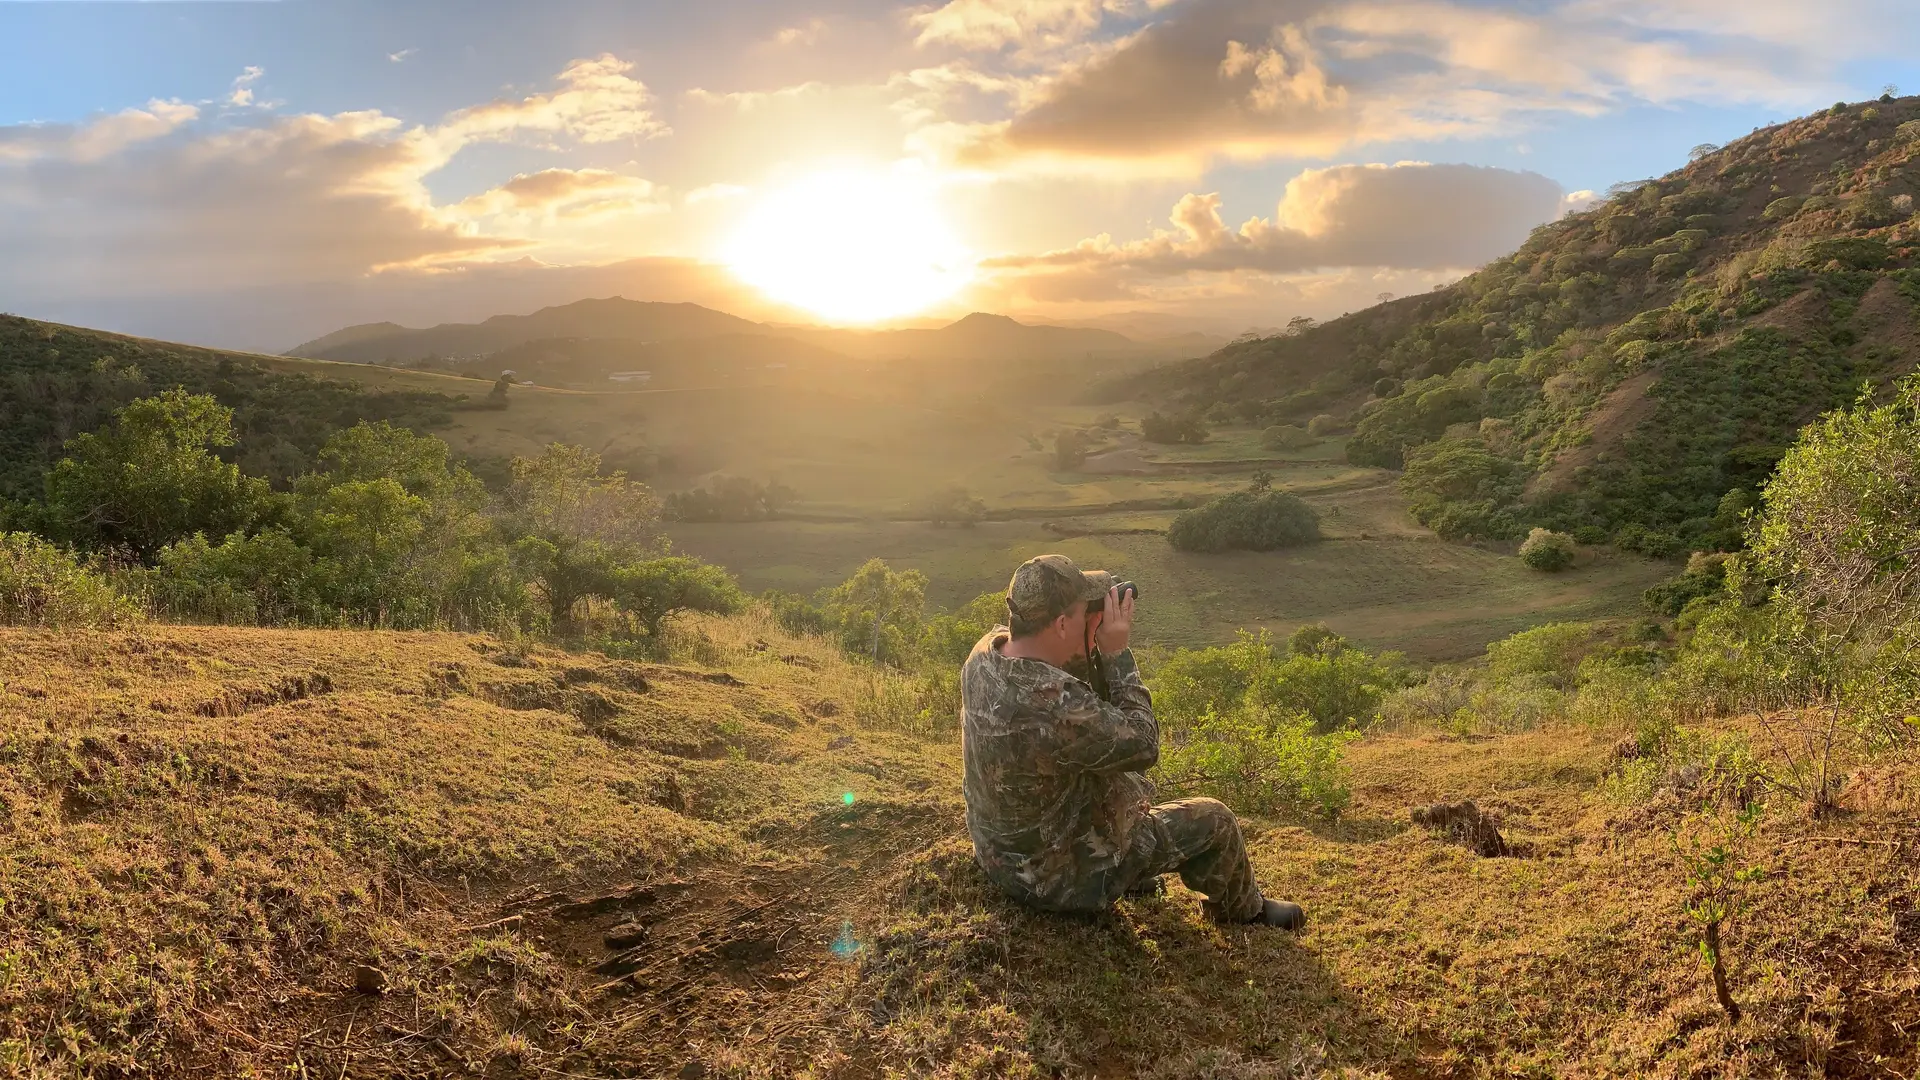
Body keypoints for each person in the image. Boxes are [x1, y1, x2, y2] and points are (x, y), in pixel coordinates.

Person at [959, 553, 1306, 929]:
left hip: (999, 857)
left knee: (1117, 783)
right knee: (1215, 821)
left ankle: (1135, 876)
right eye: (1081, 610)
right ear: (1060, 623)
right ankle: (1245, 912)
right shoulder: (1057, 705)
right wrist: (1115, 654)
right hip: (1058, 882)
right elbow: (1143, 744)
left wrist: (1083, 638)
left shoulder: (984, 657)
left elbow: (1057, 691)